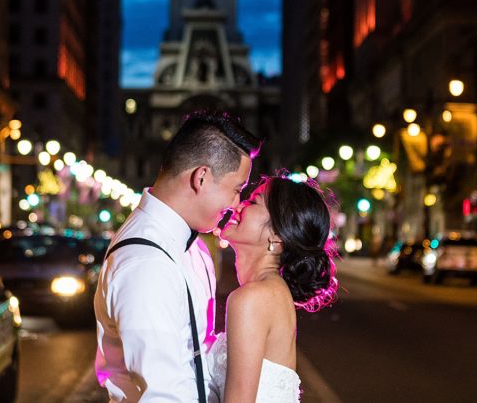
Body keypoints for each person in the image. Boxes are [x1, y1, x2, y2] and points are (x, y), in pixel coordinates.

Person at [94, 111, 260, 402]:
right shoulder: (146, 263)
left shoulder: (188, 245)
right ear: (202, 177)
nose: (236, 204)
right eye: (237, 189)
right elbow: (162, 394)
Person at [208, 175, 338, 403]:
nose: (238, 206)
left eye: (253, 202)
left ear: (277, 238)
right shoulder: (271, 291)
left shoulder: (252, 298)